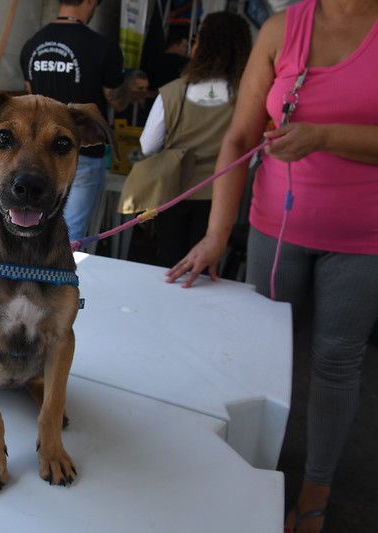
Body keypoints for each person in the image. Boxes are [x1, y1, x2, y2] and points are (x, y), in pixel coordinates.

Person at [165, 0, 378, 531]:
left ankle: (315, 494)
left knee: (336, 364)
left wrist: (324, 136)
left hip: (364, 241)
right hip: (274, 229)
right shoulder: (283, 29)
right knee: (257, 360)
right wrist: (216, 235)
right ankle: (245, 477)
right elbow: (239, 138)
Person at [139, 12, 251, 268]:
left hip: (173, 190)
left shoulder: (173, 92)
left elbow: (148, 145)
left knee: (168, 265)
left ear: (200, 46)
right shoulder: (246, 97)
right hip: (220, 196)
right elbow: (251, 153)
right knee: (203, 269)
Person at [19, 0, 125, 243]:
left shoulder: (31, 45)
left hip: (36, 156)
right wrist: (131, 90)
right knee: (70, 237)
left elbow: (30, 96)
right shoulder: (103, 47)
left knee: (31, 232)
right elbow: (117, 101)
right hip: (79, 152)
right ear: (90, 2)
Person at [147, 26, 190, 91]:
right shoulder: (182, 63)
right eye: (185, 46)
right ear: (175, 45)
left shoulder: (154, 60)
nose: (186, 50)